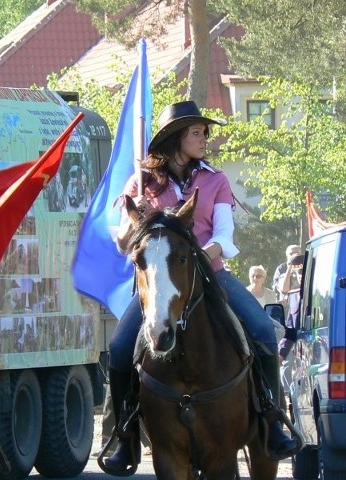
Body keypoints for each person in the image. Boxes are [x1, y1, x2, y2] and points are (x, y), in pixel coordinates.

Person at [103, 101, 299, 474]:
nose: (204, 139)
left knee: (261, 330)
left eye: (204, 133)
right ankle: (124, 435)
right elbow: (123, 244)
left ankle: (272, 420)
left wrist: (200, 257)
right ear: (177, 138)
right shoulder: (140, 184)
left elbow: (225, 234)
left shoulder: (216, 180)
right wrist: (137, 214)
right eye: (197, 132)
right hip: (159, 282)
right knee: (118, 347)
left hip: (210, 272)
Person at [277, 251, 303, 359]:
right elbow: (291, 332)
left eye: (304, 271)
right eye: (299, 272)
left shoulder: (323, 294)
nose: (301, 276)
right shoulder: (294, 297)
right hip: (302, 353)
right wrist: (281, 355)